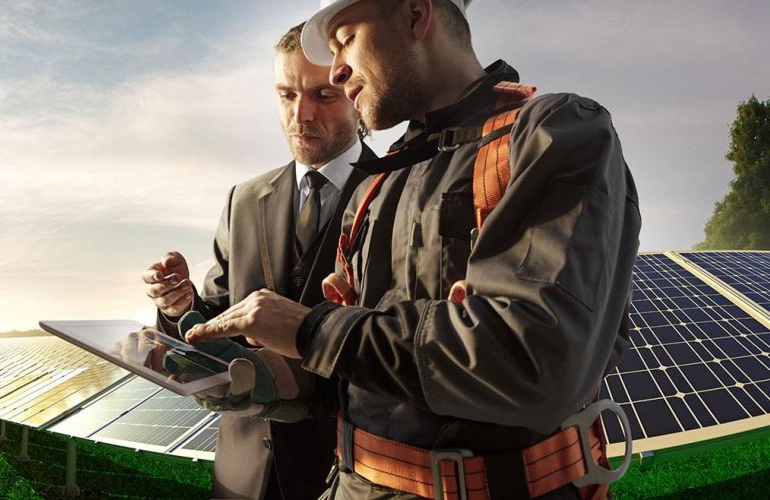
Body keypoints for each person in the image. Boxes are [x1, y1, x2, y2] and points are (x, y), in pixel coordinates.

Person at [187, 1, 641, 498]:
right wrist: (268, 380)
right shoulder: (374, 188)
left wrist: (311, 328)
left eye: (346, 41)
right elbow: (355, 376)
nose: (338, 73)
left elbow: (533, 364)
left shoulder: (554, 135)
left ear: (415, 15)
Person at [142, 22, 375, 500]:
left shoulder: (398, 188)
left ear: (356, 93)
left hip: (350, 473)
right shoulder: (243, 199)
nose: (300, 114)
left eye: (322, 96)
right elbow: (214, 319)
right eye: (286, 95)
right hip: (244, 474)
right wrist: (177, 305)